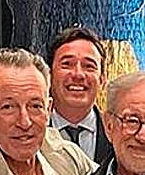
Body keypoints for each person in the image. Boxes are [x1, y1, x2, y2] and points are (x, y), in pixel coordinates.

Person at [48, 26, 113, 165]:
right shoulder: (31, 134)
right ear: (49, 75)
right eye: (67, 64)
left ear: (102, 79)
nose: (78, 74)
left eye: (89, 66)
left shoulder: (118, 135)